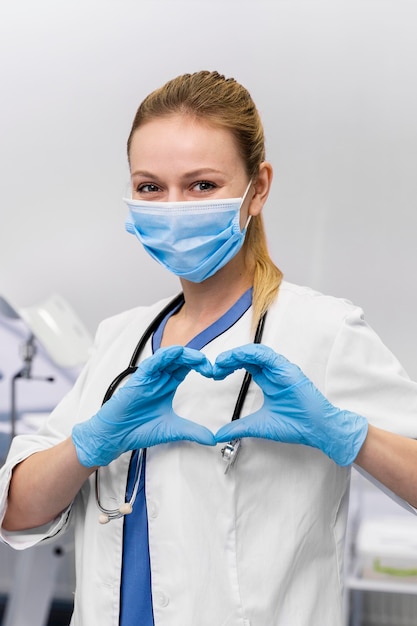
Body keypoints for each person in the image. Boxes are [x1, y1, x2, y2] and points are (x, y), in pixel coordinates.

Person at [1, 70, 417, 626]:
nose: (174, 207)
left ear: (258, 188)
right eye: (151, 187)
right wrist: (91, 444)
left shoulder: (323, 330)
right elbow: (19, 511)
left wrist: (351, 436)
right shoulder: (121, 339)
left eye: (201, 185)